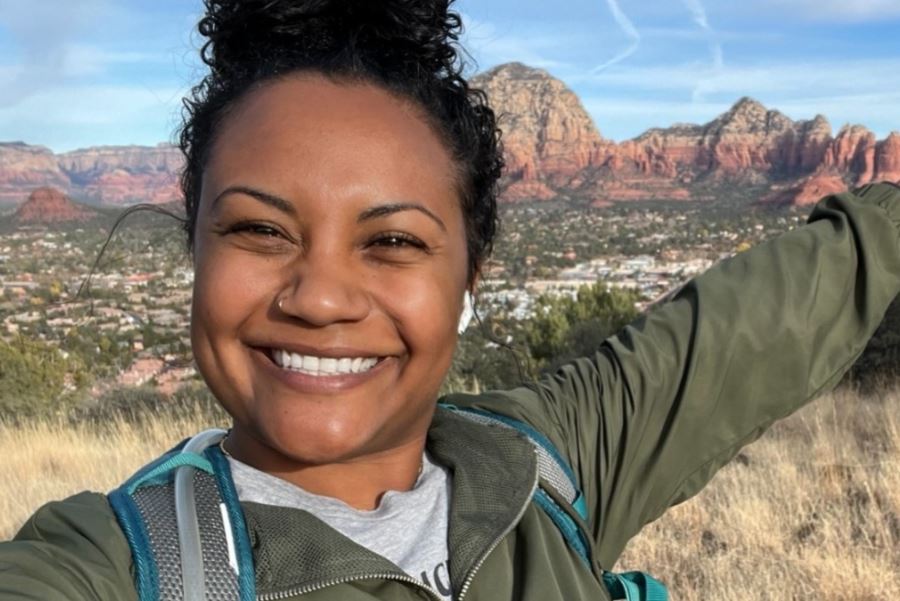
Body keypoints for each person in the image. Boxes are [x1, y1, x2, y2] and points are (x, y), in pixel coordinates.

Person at [2, 1, 900, 600]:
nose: (319, 297)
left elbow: (797, 295)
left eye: (391, 240)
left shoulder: (545, 459)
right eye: (260, 230)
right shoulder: (119, 562)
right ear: (192, 242)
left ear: (471, 276)